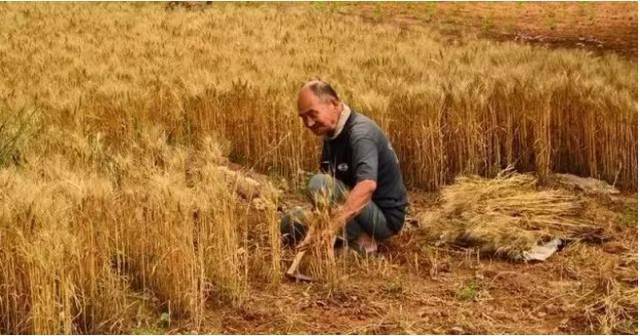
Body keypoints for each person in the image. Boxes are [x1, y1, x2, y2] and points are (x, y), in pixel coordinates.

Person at [280, 80, 407, 254]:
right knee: (290, 222)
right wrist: (316, 227)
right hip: (352, 212)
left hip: (382, 219)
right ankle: (349, 244)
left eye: (312, 114)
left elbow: (367, 186)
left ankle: (363, 242)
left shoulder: (361, 134)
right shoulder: (330, 134)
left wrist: (332, 226)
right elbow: (327, 198)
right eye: (303, 118)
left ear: (334, 103)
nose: (308, 123)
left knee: (319, 183)